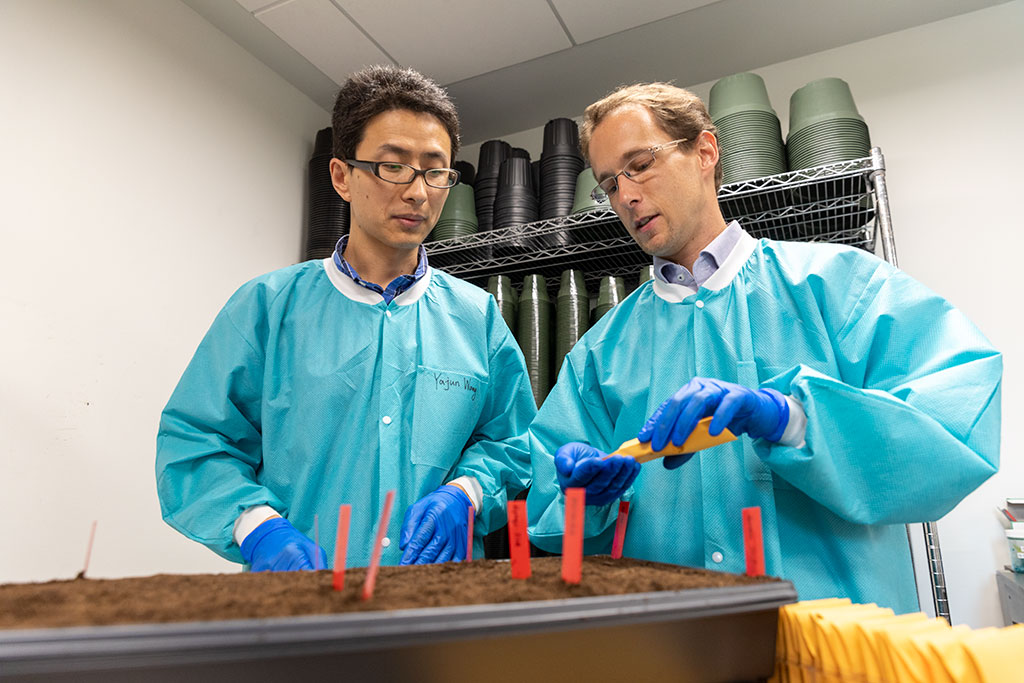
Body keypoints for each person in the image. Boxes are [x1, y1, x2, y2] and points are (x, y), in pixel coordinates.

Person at [526, 82, 1001, 612]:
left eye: (640, 164)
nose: (627, 196)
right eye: (610, 184)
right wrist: (582, 496)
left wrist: (794, 419)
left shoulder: (837, 286)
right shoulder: (600, 352)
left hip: (839, 647)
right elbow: (550, 511)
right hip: (676, 644)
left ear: (705, 152)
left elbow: (955, 421)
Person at [157, 65, 536, 571]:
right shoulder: (267, 308)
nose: (418, 192)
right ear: (341, 177)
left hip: (438, 605)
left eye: (435, 170)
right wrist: (257, 528)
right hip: (301, 608)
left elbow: (512, 443)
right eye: (393, 166)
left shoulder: (477, 318)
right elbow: (195, 445)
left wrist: (467, 493)